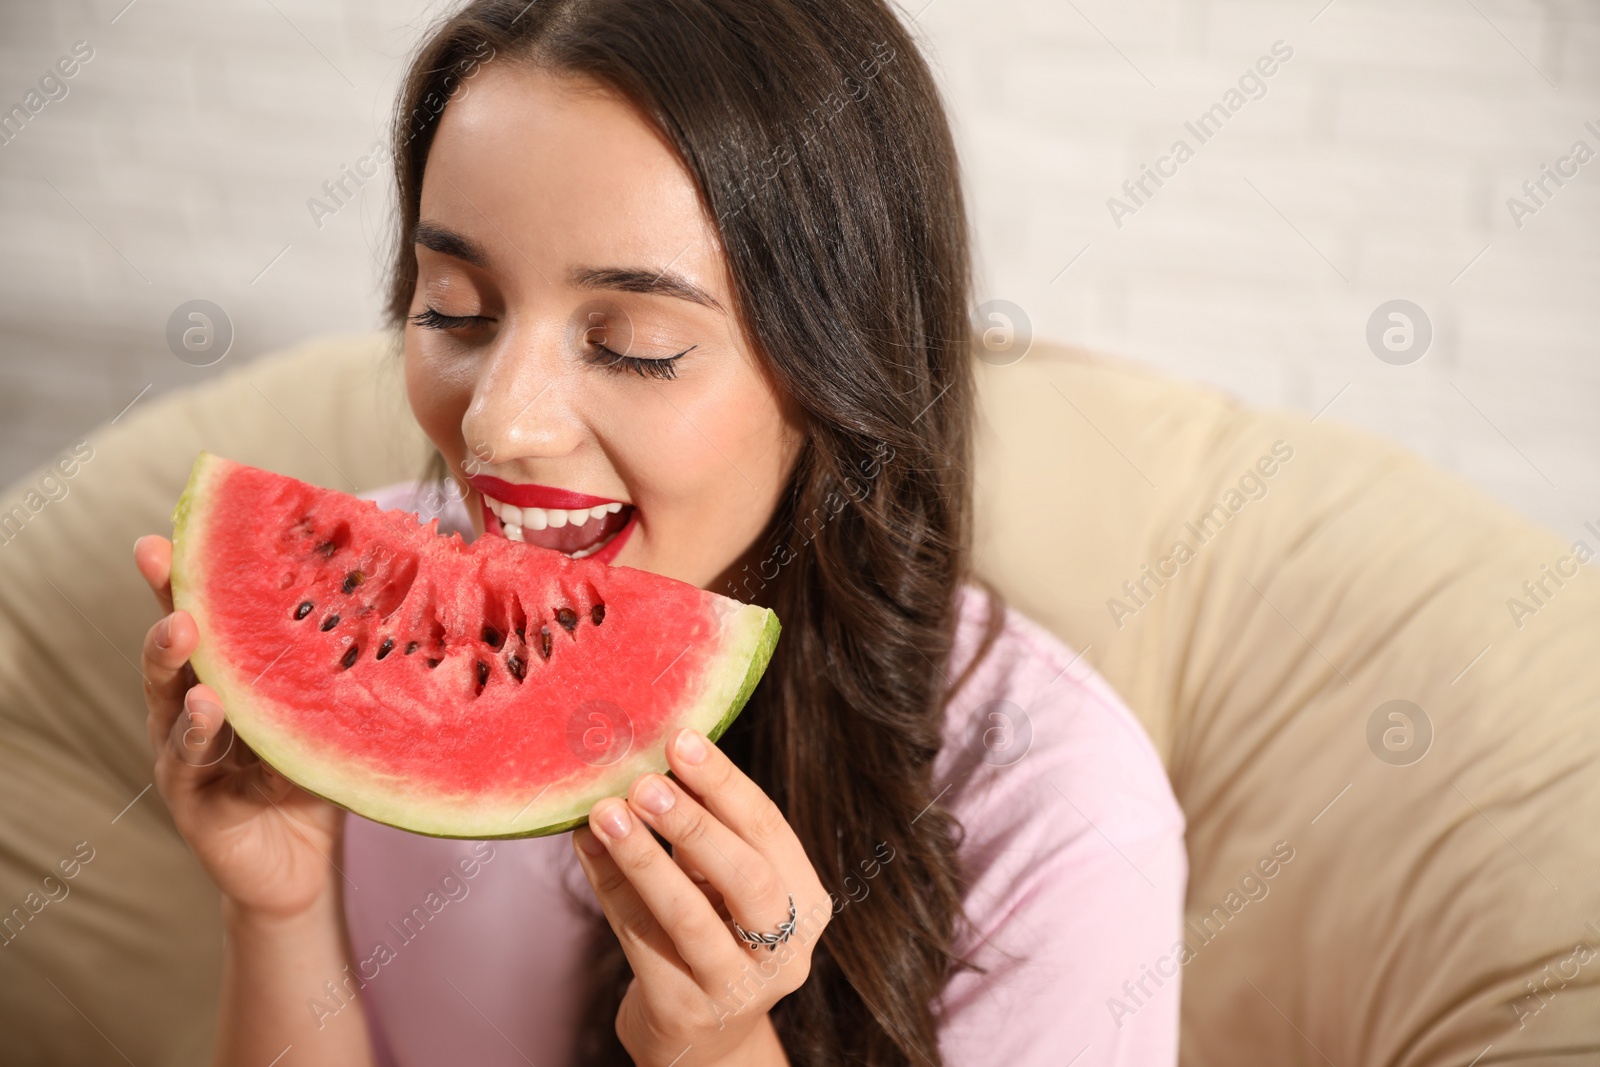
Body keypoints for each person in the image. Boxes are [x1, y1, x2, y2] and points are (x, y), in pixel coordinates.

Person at [133, 1, 1186, 1063]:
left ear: (837, 366)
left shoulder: (1063, 808)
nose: (501, 423)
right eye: (454, 308)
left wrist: (718, 1048)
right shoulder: (375, 624)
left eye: (630, 343)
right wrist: (279, 906)